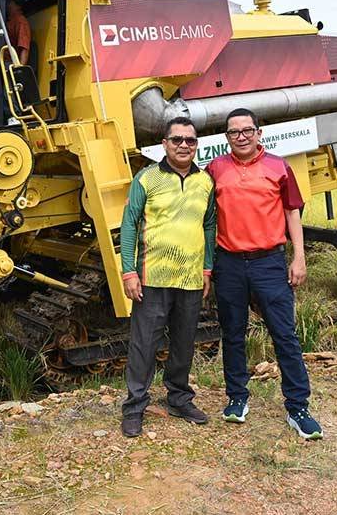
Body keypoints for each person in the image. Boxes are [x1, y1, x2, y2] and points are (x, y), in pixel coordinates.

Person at [206, 108, 323, 440]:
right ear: (226, 137)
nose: (240, 137)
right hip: (228, 263)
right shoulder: (215, 169)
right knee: (232, 333)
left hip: (269, 263)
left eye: (247, 130)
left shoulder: (278, 167)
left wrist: (298, 257)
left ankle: (298, 408)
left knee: (284, 335)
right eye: (233, 132)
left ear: (259, 133)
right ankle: (237, 399)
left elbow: (292, 213)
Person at [119, 116, 216, 438]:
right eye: (177, 140)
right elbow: (130, 223)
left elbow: (209, 225)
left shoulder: (206, 182)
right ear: (164, 144)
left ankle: (178, 398)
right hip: (152, 278)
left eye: (190, 140)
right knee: (144, 345)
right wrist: (129, 272)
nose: (184, 145)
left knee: (184, 344)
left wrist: (207, 268)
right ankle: (134, 407)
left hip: (189, 278)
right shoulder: (146, 178)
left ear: (196, 144)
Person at [4, 0, 31, 66]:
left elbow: (24, 48)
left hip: (9, 64)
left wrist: (19, 71)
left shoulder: (21, 21)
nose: (6, 4)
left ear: (16, 5)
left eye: (9, 2)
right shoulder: (8, 20)